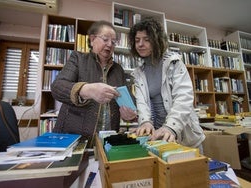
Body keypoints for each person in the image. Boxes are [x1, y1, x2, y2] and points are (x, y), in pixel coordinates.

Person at [51, 20, 137, 148]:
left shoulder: (118, 70)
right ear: (92, 40)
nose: (110, 44)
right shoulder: (78, 59)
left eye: (113, 42)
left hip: (107, 143)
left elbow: (129, 100)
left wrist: (130, 115)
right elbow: (57, 87)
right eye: (105, 39)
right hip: (74, 141)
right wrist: (87, 90)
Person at [128, 17, 205, 149]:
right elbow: (141, 103)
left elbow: (183, 98)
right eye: (137, 40)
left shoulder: (174, 63)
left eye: (146, 40)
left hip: (182, 135)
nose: (140, 44)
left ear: (157, 41)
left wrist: (170, 127)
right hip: (157, 136)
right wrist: (145, 122)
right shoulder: (138, 73)